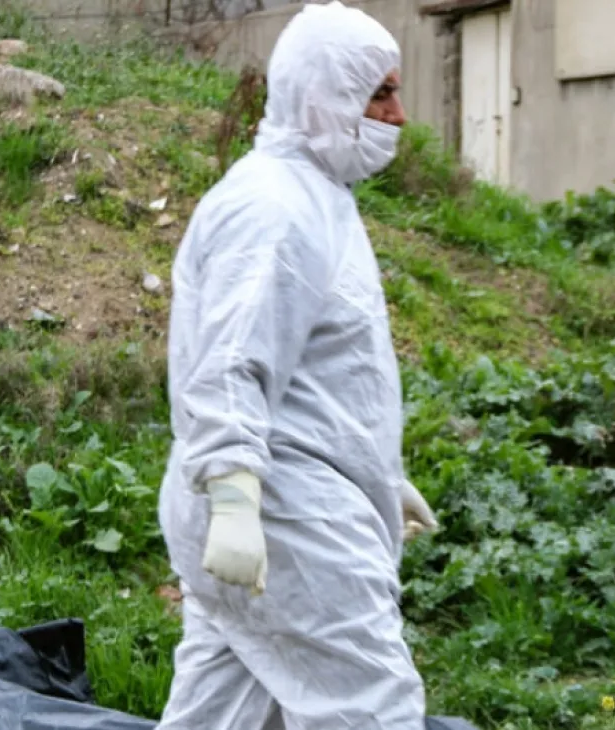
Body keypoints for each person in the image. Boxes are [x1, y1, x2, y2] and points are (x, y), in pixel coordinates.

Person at [155, 3, 439, 729]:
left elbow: (312, 370)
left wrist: (376, 473)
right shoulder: (276, 208)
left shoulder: (312, 196)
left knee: (226, 713)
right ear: (325, 95)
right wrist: (236, 502)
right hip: (287, 522)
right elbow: (228, 363)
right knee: (371, 708)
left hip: (283, 501)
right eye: (380, 94)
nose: (400, 116)